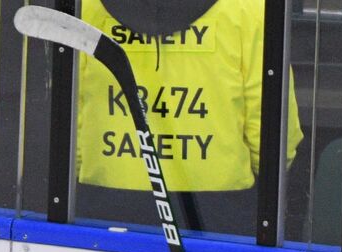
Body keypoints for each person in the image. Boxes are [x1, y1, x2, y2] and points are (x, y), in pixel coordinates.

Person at [73, 0, 305, 235]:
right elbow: (275, 133)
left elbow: (70, 117)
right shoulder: (249, 8)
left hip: (104, 203)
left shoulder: (85, 7)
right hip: (219, 210)